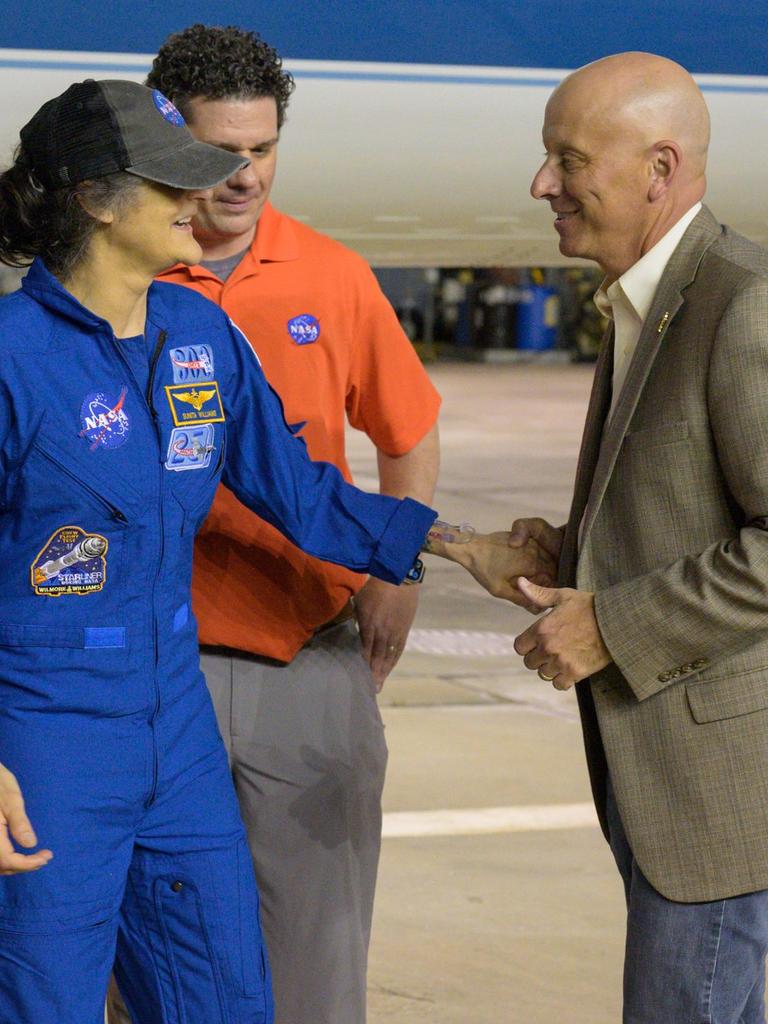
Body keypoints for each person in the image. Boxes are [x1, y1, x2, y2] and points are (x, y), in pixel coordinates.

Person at [0, 78, 551, 1024]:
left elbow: (297, 490)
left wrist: (465, 547)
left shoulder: (198, 335)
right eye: (170, 181)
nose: (198, 197)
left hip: (174, 724)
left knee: (221, 993)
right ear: (93, 198)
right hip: (45, 730)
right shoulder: (11, 358)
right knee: (41, 999)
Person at [109, 24, 440, 1024]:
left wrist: (401, 578)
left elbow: (407, 427)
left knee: (314, 962)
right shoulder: (116, 280)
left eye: (262, 149)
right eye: (220, 151)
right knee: (144, 966)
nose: (244, 174)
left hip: (309, 657)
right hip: (152, 668)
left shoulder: (331, 276)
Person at [511, 51, 768, 1022]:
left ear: (658, 172)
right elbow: (682, 502)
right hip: (658, 778)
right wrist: (564, 550)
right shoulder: (646, 301)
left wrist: (610, 624)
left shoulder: (740, 304)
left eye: (567, 160)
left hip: (715, 799)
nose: (543, 183)